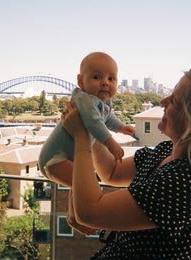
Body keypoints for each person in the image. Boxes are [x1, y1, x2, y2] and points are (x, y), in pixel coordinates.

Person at [61, 60, 191, 259]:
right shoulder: (166, 151)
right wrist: (90, 125)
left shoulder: (188, 182)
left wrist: (81, 137)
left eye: (174, 100)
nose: (163, 102)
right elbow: (112, 172)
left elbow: (90, 212)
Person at [38, 52, 135, 187]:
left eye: (111, 79)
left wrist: (121, 127)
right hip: (56, 159)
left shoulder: (102, 102)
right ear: (80, 81)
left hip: (70, 158)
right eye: (96, 77)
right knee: (87, 187)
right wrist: (111, 144)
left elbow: (107, 117)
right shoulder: (85, 99)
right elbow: (94, 123)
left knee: (80, 191)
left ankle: (76, 208)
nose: (105, 83)